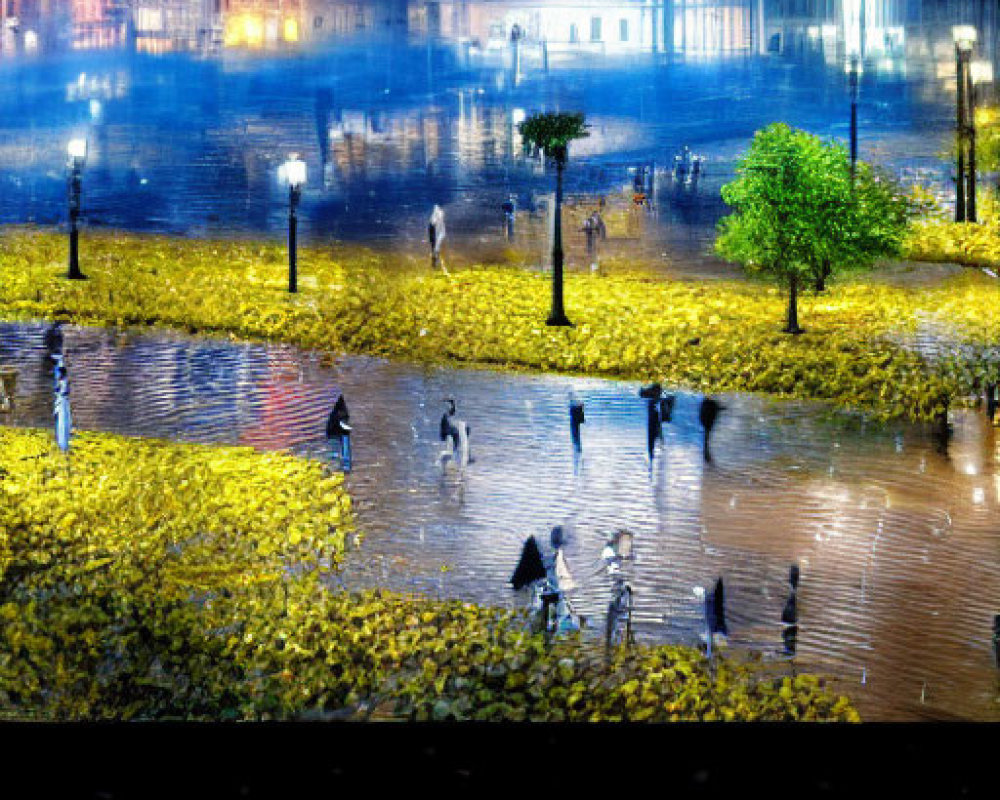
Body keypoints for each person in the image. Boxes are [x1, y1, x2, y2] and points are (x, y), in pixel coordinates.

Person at [325, 394, 352, 472]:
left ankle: (342, 466)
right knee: (343, 444)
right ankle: (345, 466)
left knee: (337, 446)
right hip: (339, 421)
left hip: (336, 424)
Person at [639, 383, 663, 461]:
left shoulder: (654, 401)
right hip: (654, 419)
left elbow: (641, 393)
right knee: (654, 436)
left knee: (652, 437)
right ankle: (652, 454)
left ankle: (652, 454)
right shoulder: (656, 401)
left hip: (653, 419)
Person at [699, 395, 723, 462]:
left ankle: (705, 452)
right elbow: (716, 408)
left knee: (706, 437)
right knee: (706, 437)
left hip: (706, 421)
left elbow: (702, 412)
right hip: (708, 421)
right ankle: (706, 453)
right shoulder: (710, 403)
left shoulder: (705, 402)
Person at [54, 363, 72, 453]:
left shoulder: (61, 382)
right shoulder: (66, 381)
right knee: (64, 421)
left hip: (62, 403)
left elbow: (59, 391)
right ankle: (63, 443)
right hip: (64, 402)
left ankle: (63, 444)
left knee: (62, 422)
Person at [428, 204, 446, 269]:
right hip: (434, 231)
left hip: (437, 232)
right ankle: (435, 264)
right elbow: (433, 224)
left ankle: (435, 264)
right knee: (435, 249)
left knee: (435, 249)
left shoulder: (438, 214)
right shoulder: (437, 215)